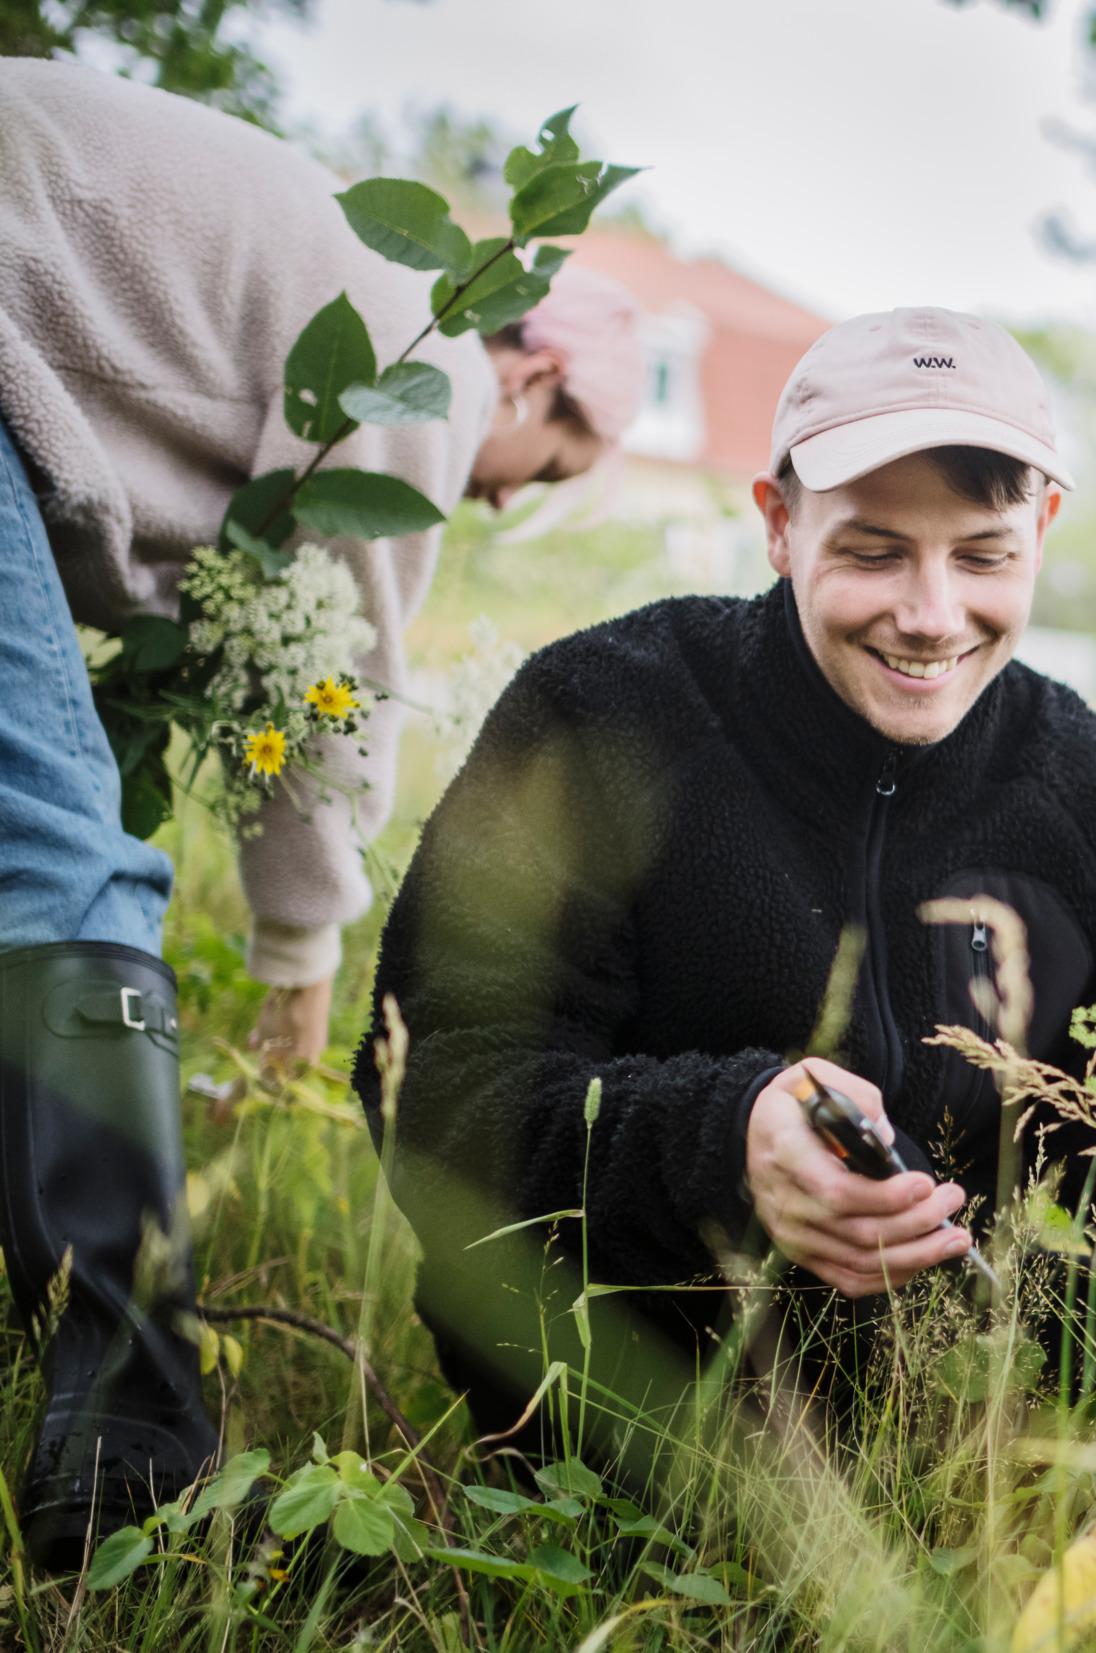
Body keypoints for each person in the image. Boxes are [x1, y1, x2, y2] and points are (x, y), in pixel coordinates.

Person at [355, 307, 1096, 1478]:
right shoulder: (598, 714)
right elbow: (434, 1082)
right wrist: (724, 1145)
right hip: (618, 1457)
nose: (930, 616)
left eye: (983, 555)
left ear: (1043, 525)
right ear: (777, 525)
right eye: (873, 551)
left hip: (978, 1471)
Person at [0, 59, 644, 1570]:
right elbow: (326, 693)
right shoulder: (422, 380)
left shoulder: (323, 256)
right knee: (63, 852)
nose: (499, 504)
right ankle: (132, 1452)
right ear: (534, 380)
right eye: (543, 473)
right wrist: (301, 958)